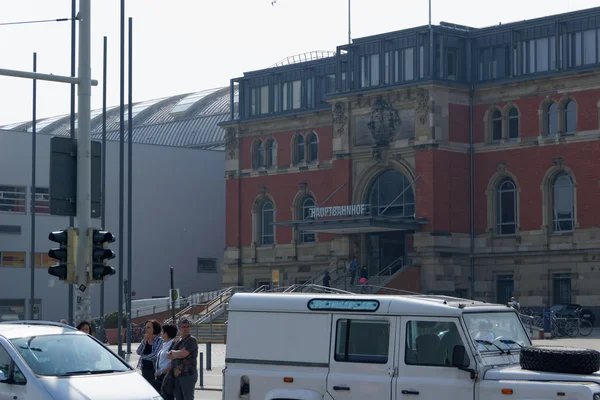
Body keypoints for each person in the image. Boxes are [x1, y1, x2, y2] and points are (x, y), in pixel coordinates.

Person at [167, 319, 198, 400]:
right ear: (179, 329)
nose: (186, 329)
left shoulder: (191, 340)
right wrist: (177, 354)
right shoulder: (176, 341)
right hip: (176, 375)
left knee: (187, 397)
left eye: (188, 327)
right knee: (178, 397)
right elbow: (167, 355)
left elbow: (184, 353)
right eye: (183, 327)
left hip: (188, 375)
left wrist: (173, 352)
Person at [136, 319, 164, 385]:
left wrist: (143, 357)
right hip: (144, 368)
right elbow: (138, 352)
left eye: (148, 327)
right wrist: (144, 341)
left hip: (154, 370)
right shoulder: (146, 339)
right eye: (145, 328)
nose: (146, 330)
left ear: (154, 328)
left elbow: (155, 355)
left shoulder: (159, 341)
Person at [154, 324, 178, 400]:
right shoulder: (164, 344)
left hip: (166, 375)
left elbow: (173, 361)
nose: (161, 333)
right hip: (160, 375)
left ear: (167, 333)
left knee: (167, 396)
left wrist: (162, 372)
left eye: (162, 332)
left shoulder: (173, 344)